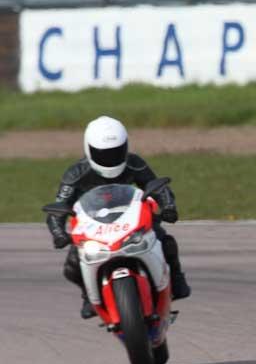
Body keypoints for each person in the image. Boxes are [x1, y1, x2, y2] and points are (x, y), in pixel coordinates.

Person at [46, 115, 191, 319]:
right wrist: (58, 232)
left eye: (115, 152)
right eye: (103, 154)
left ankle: (176, 278)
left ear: (125, 147)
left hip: (131, 220)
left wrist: (168, 206)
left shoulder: (134, 163)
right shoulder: (75, 173)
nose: (110, 158)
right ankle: (89, 296)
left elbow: (156, 186)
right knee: (71, 265)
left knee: (164, 240)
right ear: (89, 150)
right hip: (93, 227)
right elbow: (58, 207)